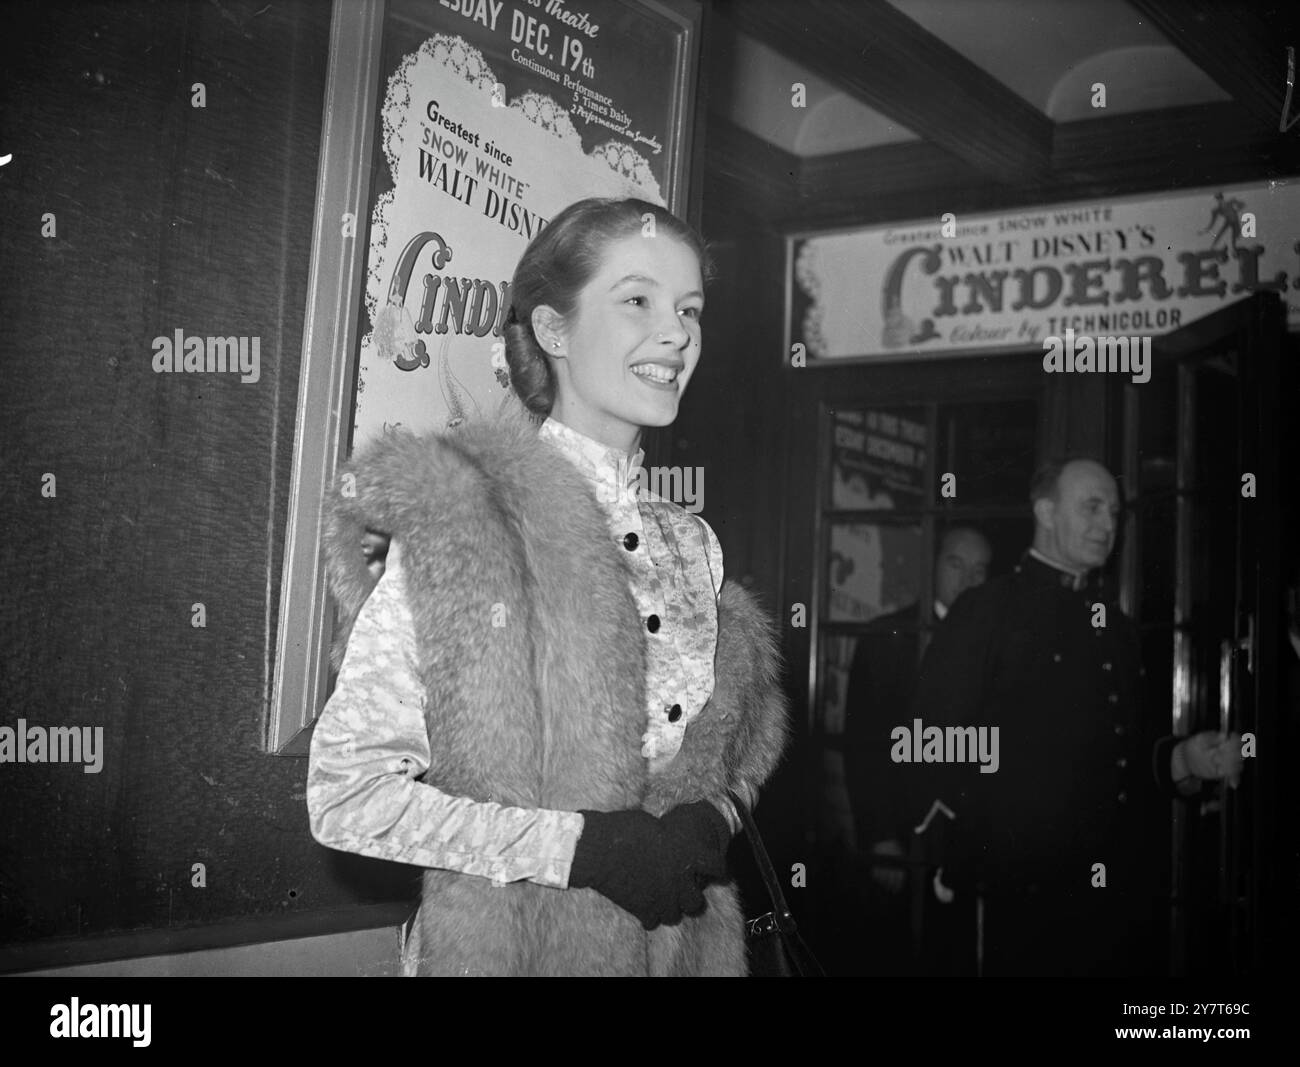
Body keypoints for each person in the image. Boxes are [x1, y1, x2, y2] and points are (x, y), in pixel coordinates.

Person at [307, 198, 789, 976]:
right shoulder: (468, 516)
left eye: (689, 309)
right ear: (554, 330)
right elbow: (346, 796)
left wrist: (718, 814)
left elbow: (738, 751)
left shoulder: (692, 543)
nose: (677, 333)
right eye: (638, 300)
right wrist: (577, 848)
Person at [906, 457, 1242, 976]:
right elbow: (935, 742)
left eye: (1114, 511)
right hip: (1017, 896)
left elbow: (1130, 751)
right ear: (1045, 511)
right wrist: (972, 844)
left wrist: (1185, 759)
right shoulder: (986, 611)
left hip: (1108, 900)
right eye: (1091, 507)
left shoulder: (1116, 626)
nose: (1108, 524)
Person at [842, 526, 990, 974]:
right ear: (933, 567)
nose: (967, 581)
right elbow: (863, 746)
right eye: (955, 565)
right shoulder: (888, 638)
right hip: (904, 840)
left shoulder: (997, 644)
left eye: (980, 571)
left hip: (971, 845)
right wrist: (881, 835)